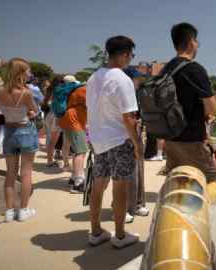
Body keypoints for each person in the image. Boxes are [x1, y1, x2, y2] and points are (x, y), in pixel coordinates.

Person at [86, 35, 141, 248]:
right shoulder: (122, 79)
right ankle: (119, 235)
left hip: (99, 140)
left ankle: (96, 231)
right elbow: (128, 118)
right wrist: (137, 143)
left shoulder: (93, 77)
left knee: (98, 185)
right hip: (119, 139)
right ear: (125, 54)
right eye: (131, 55)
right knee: (120, 187)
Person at [162, 22, 216, 181]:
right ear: (191, 42)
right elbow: (212, 109)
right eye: (196, 42)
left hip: (170, 139)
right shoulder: (194, 69)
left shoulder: (165, 69)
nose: (197, 46)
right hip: (192, 140)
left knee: (179, 183)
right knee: (214, 182)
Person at [0, 58, 39, 222]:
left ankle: (9, 211)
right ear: (20, 73)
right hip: (25, 131)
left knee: (10, 174)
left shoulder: (0, 90)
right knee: (26, 173)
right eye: (27, 71)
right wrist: (30, 113)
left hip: (9, 131)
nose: (29, 73)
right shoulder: (26, 92)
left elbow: (3, 110)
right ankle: (23, 210)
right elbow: (34, 111)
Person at [123, 67, 150, 218]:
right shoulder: (124, 94)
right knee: (129, 173)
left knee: (138, 171)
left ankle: (138, 204)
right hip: (127, 136)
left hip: (137, 132)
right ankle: (124, 208)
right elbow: (126, 118)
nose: (140, 81)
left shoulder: (136, 93)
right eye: (137, 79)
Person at [58, 75, 88, 193]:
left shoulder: (75, 89)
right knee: (80, 152)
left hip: (68, 120)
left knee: (77, 150)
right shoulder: (84, 90)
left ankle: (73, 177)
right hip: (74, 121)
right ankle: (78, 183)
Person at [43, 75, 64, 167]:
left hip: (49, 116)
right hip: (56, 117)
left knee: (51, 140)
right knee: (54, 141)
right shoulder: (59, 91)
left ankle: (50, 160)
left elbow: (45, 103)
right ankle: (50, 161)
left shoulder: (49, 90)